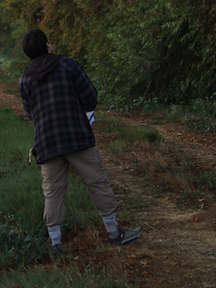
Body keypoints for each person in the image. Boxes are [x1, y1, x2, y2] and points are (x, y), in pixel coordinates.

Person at [19, 29, 142, 254]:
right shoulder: (69, 65)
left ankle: (55, 243)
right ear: (48, 45)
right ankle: (114, 233)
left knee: (53, 191)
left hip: (46, 143)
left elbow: (30, 113)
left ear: (28, 53)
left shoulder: (25, 79)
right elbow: (89, 97)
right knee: (97, 182)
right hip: (77, 137)